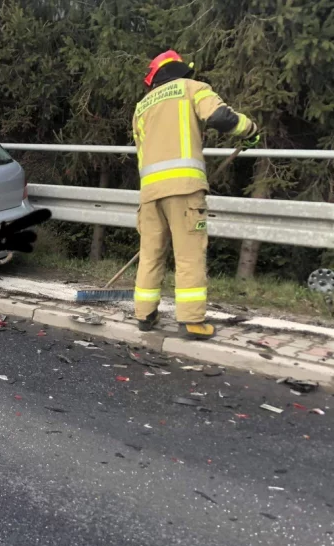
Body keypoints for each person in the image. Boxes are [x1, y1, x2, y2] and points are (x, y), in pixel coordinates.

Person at [132, 50, 259, 340]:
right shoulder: (192, 88)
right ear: (180, 70)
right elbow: (220, 117)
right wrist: (250, 130)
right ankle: (191, 321)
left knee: (150, 254)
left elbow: (141, 152)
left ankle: (144, 315)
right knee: (189, 254)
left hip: (149, 192)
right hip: (184, 190)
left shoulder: (141, 106)